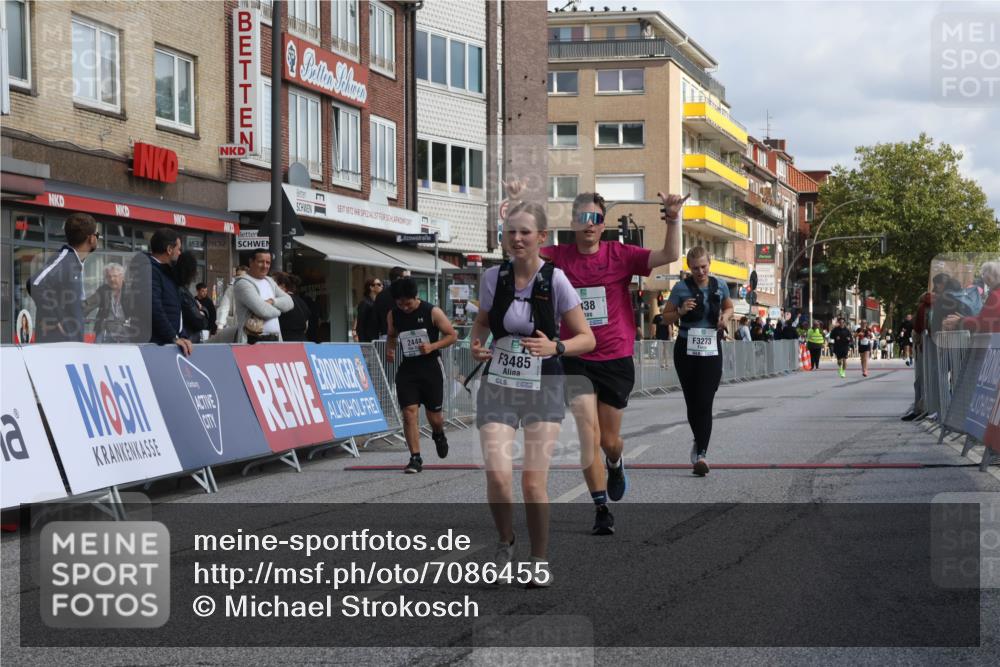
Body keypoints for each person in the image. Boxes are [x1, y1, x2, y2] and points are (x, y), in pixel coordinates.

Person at [532, 187, 683, 535]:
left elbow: (670, 253)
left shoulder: (620, 254)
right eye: (582, 217)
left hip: (614, 356)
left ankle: (615, 462)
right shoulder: (556, 256)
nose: (588, 224)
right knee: (588, 434)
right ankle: (601, 507)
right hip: (574, 355)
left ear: (603, 225)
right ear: (572, 222)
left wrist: (673, 219)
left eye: (595, 219)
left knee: (608, 441)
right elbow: (516, 247)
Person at [470, 200, 594, 586]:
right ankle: (505, 542)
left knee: (532, 482)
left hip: (545, 383)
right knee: (498, 475)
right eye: (511, 232)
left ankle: (538, 559)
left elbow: (586, 339)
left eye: (525, 232)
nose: (517, 239)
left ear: (542, 237)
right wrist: (476, 344)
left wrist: (556, 347)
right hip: (500, 382)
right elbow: (480, 325)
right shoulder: (493, 277)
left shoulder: (555, 280)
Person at [660, 246, 734, 475]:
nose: (700, 271)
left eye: (703, 266)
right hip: (686, 349)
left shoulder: (720, 285)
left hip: (711, 348)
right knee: (692, 402)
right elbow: (665, 317)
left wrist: (725, 318)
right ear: (689, 268)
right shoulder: (681, 288)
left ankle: (701, 452)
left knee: (705, 400)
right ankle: (699, 442)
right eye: (695, 268)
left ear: (709, 263)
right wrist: (681, 311)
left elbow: (729, 307)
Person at [385, 277, 458, 473]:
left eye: (408, 303)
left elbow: (452, 335)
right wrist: (390, 350)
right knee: (409, 413)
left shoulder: (432, 311)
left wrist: (432, 346)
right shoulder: (393, 314)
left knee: (435, 417)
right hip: (408, 370)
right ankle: (415, 458)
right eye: (400, 304)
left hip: (431, 368)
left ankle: (439, 434)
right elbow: (392, 335)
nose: (405, 308)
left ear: (415, 297)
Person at [28, 212, 99, 343]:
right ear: (91, 238)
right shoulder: (65, 259)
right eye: (97, 235)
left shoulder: (74, 262)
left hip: (70, 345)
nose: (97, 238)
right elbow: (35, 283)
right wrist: (54, 319)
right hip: (57, 348)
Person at [125, 227, 192, 355]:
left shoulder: (166, 273)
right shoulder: (148, 270)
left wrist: (180, 335)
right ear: (169, 249)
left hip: (167, 345)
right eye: (178, 249)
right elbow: (153, 308)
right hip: (155, 347)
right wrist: (173, 337)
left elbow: (175, 310)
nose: (180, 253)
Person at [232, 249, 293, 344]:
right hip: (252, 340)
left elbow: (290, 302)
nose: (265, 266)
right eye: (261, 262)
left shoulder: (270, 281)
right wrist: (280, 310)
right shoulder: (242, 283)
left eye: (268, 262)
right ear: (251, 262)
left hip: (275, 339)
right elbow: (263, 311)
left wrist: (272, 301)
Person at [943, 260, 1000, 334]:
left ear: (990, 278)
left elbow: (984, 322)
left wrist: (960, 321)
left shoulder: (996, 295)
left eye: (987, 282)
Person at [84, 262, 129, 343]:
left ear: (122, 276)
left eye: (115, 276)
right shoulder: (103, 290)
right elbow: (88, 304)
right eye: (108, 277)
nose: (111, 279)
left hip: (126, 331)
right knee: (98, 350)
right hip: (105, 330)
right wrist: (75, 312)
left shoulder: (130, 291)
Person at [174, 251, 210, 343]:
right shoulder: (183, 293)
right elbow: (199, 321)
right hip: (187, 341)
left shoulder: (177, 288)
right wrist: (203, 311)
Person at [273, 272, 311, 342]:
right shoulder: (302, 302)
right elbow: (306, 326)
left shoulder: (279, 302)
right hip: (303, 343)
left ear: (283, 286)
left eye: (273, 285)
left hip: (286, 344)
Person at [375, 266, 410, 338]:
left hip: (384, 335)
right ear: (398, 278)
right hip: (401, 335)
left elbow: (376, 318)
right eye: (406, 278)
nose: (408, 280)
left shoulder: (380, 295)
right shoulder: (404, 294)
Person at [216, 265, 248, 333]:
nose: (239, 278)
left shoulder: (252, 290)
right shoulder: (231, 289)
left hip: (249, 328)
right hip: (234, 329)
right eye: (238, 275)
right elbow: (224, 307)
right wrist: (220, 326)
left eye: (242, 276)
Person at [353, 277, 383, 342]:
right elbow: (360, 325)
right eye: (379, 284)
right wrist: (363, 343)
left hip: (375, 340)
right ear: (371, 287)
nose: (382, 286)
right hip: (368, 341)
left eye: (381, 284)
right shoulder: (365, 303)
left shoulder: (376, 302)